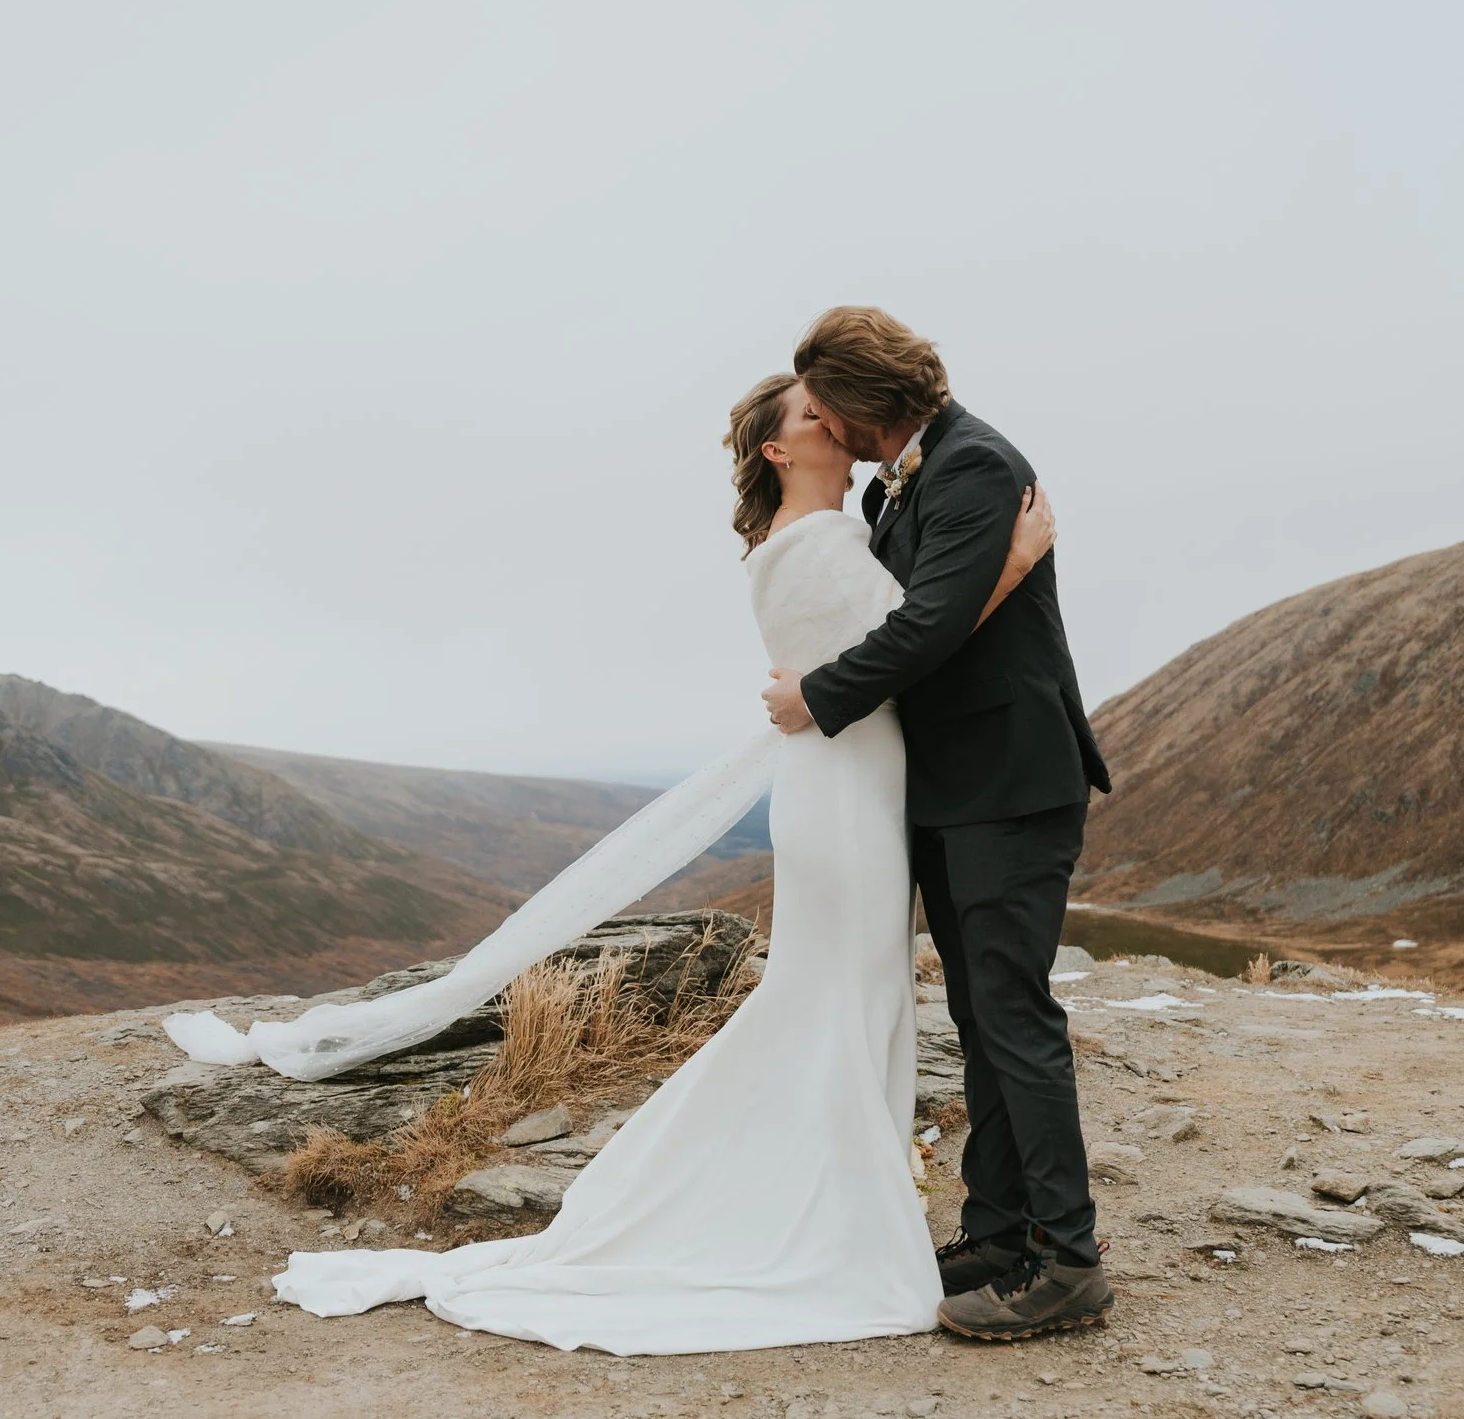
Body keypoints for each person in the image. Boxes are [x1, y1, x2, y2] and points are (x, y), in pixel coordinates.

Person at [175, 363, 1057, 1353]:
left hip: (853, 790)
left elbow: (901, 637)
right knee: (840, 1005)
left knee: (839, 1005)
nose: (838, 420)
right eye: (815, 414)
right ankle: (815, 1225)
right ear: (778, 448)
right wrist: (1014, 566)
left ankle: (832, 1211)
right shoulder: (810, 544)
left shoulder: (831, 533)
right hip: (847, 804)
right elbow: (921, 640)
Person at [761, 305, 1114, 1341]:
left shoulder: (975, 467)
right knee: (979, 1016)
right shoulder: (900, 479)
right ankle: (999, 1229)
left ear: (868, 405)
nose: (823, 424)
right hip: (955, 789)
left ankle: (1068, 1257)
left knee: (1012, 1013)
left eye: (829, 408)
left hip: (1009, 781)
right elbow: (922, 609)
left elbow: (927, 624)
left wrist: (815, 698)